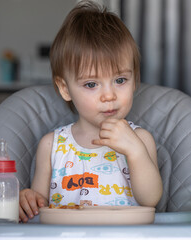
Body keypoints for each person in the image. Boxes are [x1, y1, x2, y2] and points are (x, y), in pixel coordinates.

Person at [19, 0, 163, 223]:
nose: (109, 96)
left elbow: (151, 200)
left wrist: (135, 152)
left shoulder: (141, 141)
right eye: (91, 84)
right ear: (65, 89)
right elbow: (40, 208)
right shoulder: (51, 146)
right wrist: (28, 200)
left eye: (120, 80)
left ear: (135, 81)